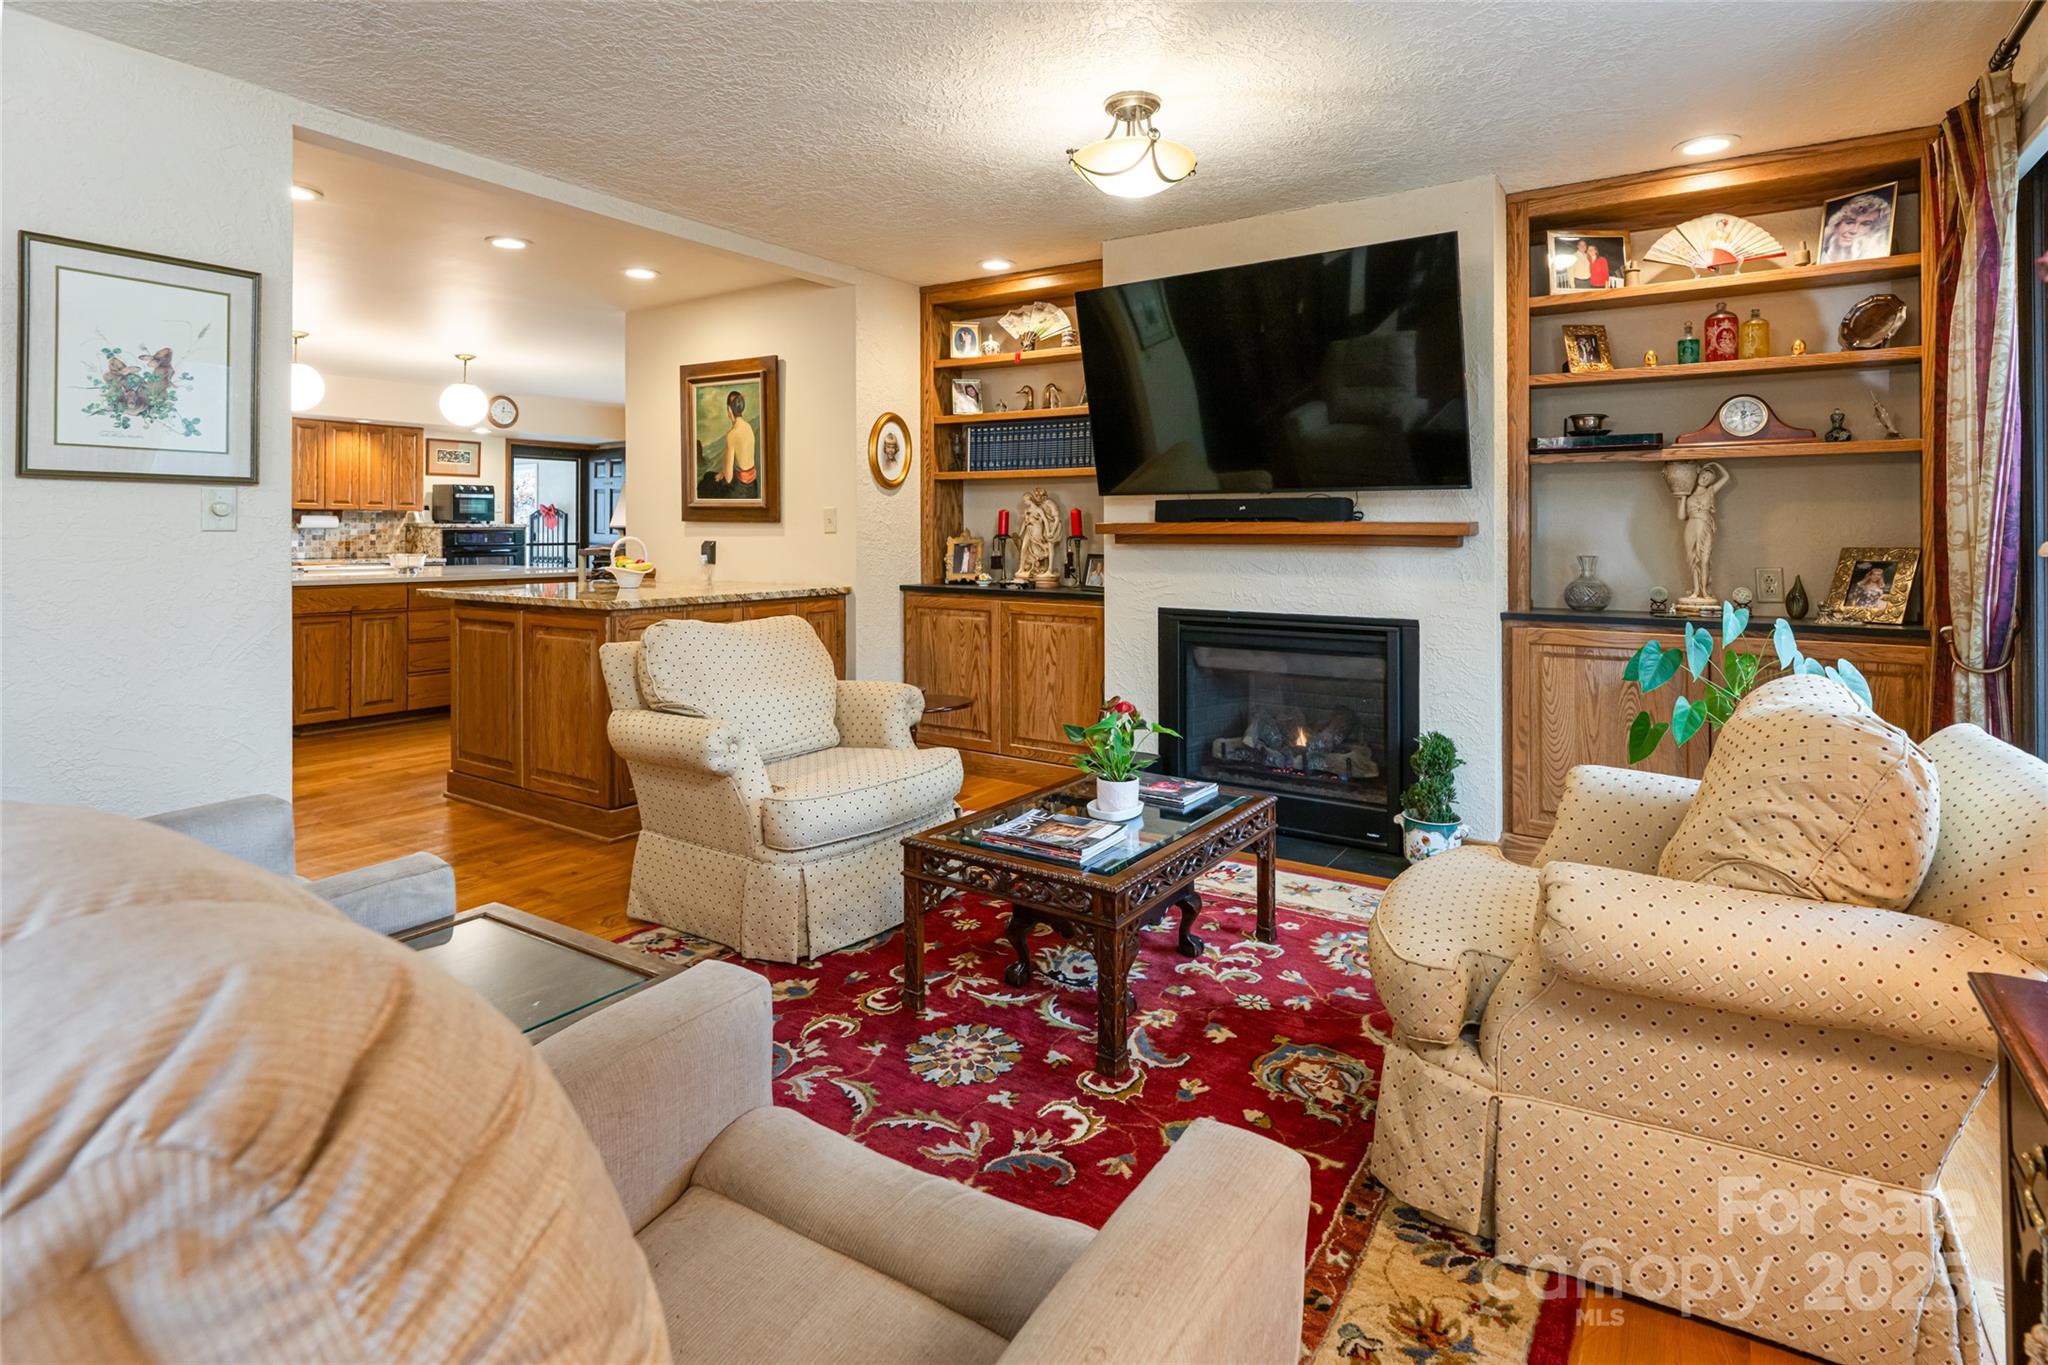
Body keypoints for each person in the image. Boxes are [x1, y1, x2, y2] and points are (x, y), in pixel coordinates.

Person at [1823, 191, 1893, 262]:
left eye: (1865, 224)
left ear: (1874, 229)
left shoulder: (1876, 255)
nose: (1854, 230)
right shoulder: (1822, 253)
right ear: (1837, 222)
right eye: (1849, 222)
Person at [718, 389, 757, 491]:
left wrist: (724, 472)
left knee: (708, 479)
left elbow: (729, 478)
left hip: (741, 489)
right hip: (753, 486)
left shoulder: (731, 434)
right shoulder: (749, 427)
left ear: (729, 409)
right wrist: (723, 472)